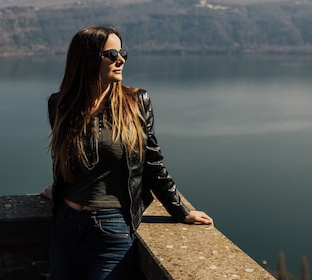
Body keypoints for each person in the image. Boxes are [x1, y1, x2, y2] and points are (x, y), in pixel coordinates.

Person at [43, 26, 213, 280]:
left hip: (112, 229)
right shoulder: (60, 104)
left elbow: (152, 161)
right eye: (111, 53)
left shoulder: (135, 102)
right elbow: (65, 159)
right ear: (87, 58)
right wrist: (58, 190)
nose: (120, 59)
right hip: (65, 226)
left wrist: (180, 210)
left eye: (122, 52)